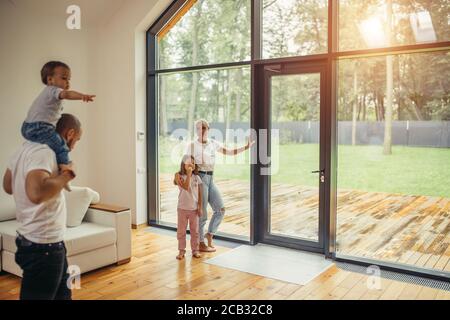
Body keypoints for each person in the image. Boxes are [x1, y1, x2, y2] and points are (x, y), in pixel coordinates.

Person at [2, 113, 82, 300]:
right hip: (44, 246)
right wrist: (68, 174)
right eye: (76, 140)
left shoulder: (23, 149)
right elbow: (37, 193)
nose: (74, 145)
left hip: (44, 242)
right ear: (70, 133)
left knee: (64, 295)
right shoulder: (45, 152)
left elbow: (7, 186)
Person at [21, 61, 94, 189]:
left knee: (53, 142)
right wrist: (82, 96)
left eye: (69, 79)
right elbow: (67, 94)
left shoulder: (48, 94)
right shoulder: (54, 91)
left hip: (27, 127)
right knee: (61, 147)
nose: (68, 83)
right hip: (39, 127)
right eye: (64, 78)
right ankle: (65, 172)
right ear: (50, 79)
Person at [186, 119, 255, 252]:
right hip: (199, 178)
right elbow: (186, 164)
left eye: (203, 128)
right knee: (202, 212)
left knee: (220, 210)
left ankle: (210, 234)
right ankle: (200, 242)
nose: (201, 131)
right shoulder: (192, 145)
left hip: (211, 178)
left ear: (208, 129)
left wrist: (246, 147)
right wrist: (190, 181)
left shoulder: (213, 143)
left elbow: (229, 152)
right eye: (198, 128)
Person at [174, 155, 203, 260]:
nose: (191, 164)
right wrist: (189, 174)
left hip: (194, 209)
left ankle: (195, 250)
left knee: (195, 231)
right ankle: (181, 251)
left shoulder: (197, 178)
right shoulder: (178, 176)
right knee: (181, 231)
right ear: (183, 164)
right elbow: (185, 187)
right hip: (182, 208)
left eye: (193, 163)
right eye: (188, 162)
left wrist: (200, 207)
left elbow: (200, 194)